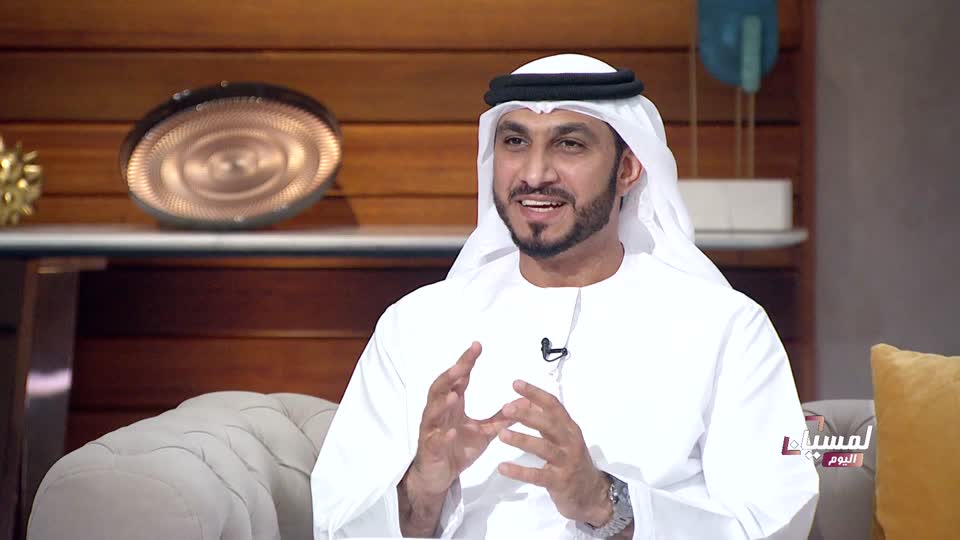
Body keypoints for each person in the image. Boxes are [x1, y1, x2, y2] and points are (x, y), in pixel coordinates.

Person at [311, 53, 818, 539]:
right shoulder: (418, 323)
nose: (534, 174)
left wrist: (606, 504)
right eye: (515, 142)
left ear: (628, 170)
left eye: (569, 145)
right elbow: (334, 524)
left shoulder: (725, 326)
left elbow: (776, 521)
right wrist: (422, 488)